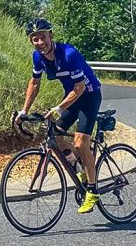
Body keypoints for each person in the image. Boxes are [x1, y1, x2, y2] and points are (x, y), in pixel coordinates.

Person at [13, 18, 103, 214]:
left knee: (80, 143)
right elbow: (34, 83)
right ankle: (82, 168)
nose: (39, 42)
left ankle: (93, 190)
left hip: (88, 95)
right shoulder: (38, 57)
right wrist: (24, 111)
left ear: (50, 36)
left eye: (42, 37)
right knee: (57, 137)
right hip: (72, 97)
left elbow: (79, 88)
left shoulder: (68, 54)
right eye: (35, 39)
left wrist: (59, 108)